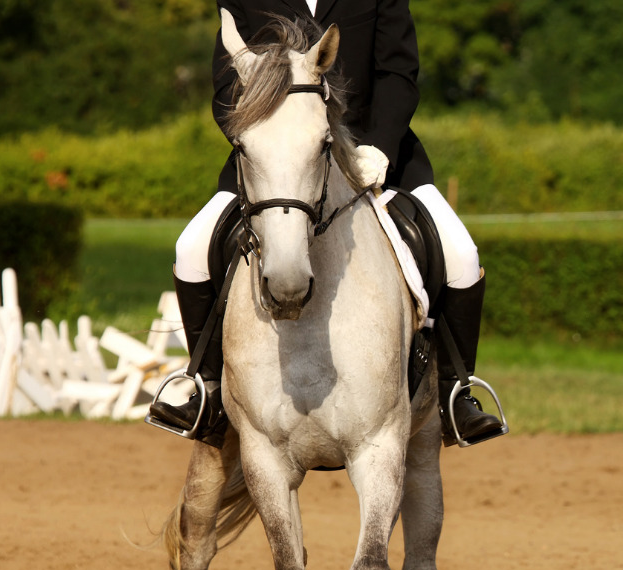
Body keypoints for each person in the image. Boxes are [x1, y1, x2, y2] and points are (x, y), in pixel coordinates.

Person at [149, 0, 504, 447]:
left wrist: (380, 147)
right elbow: (226, 87)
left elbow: (398, 72)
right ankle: (208, 389)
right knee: (190, 249)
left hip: (377, 156)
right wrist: (266, 143)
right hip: (277, 166)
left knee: (462, 254)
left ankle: (456, 394)